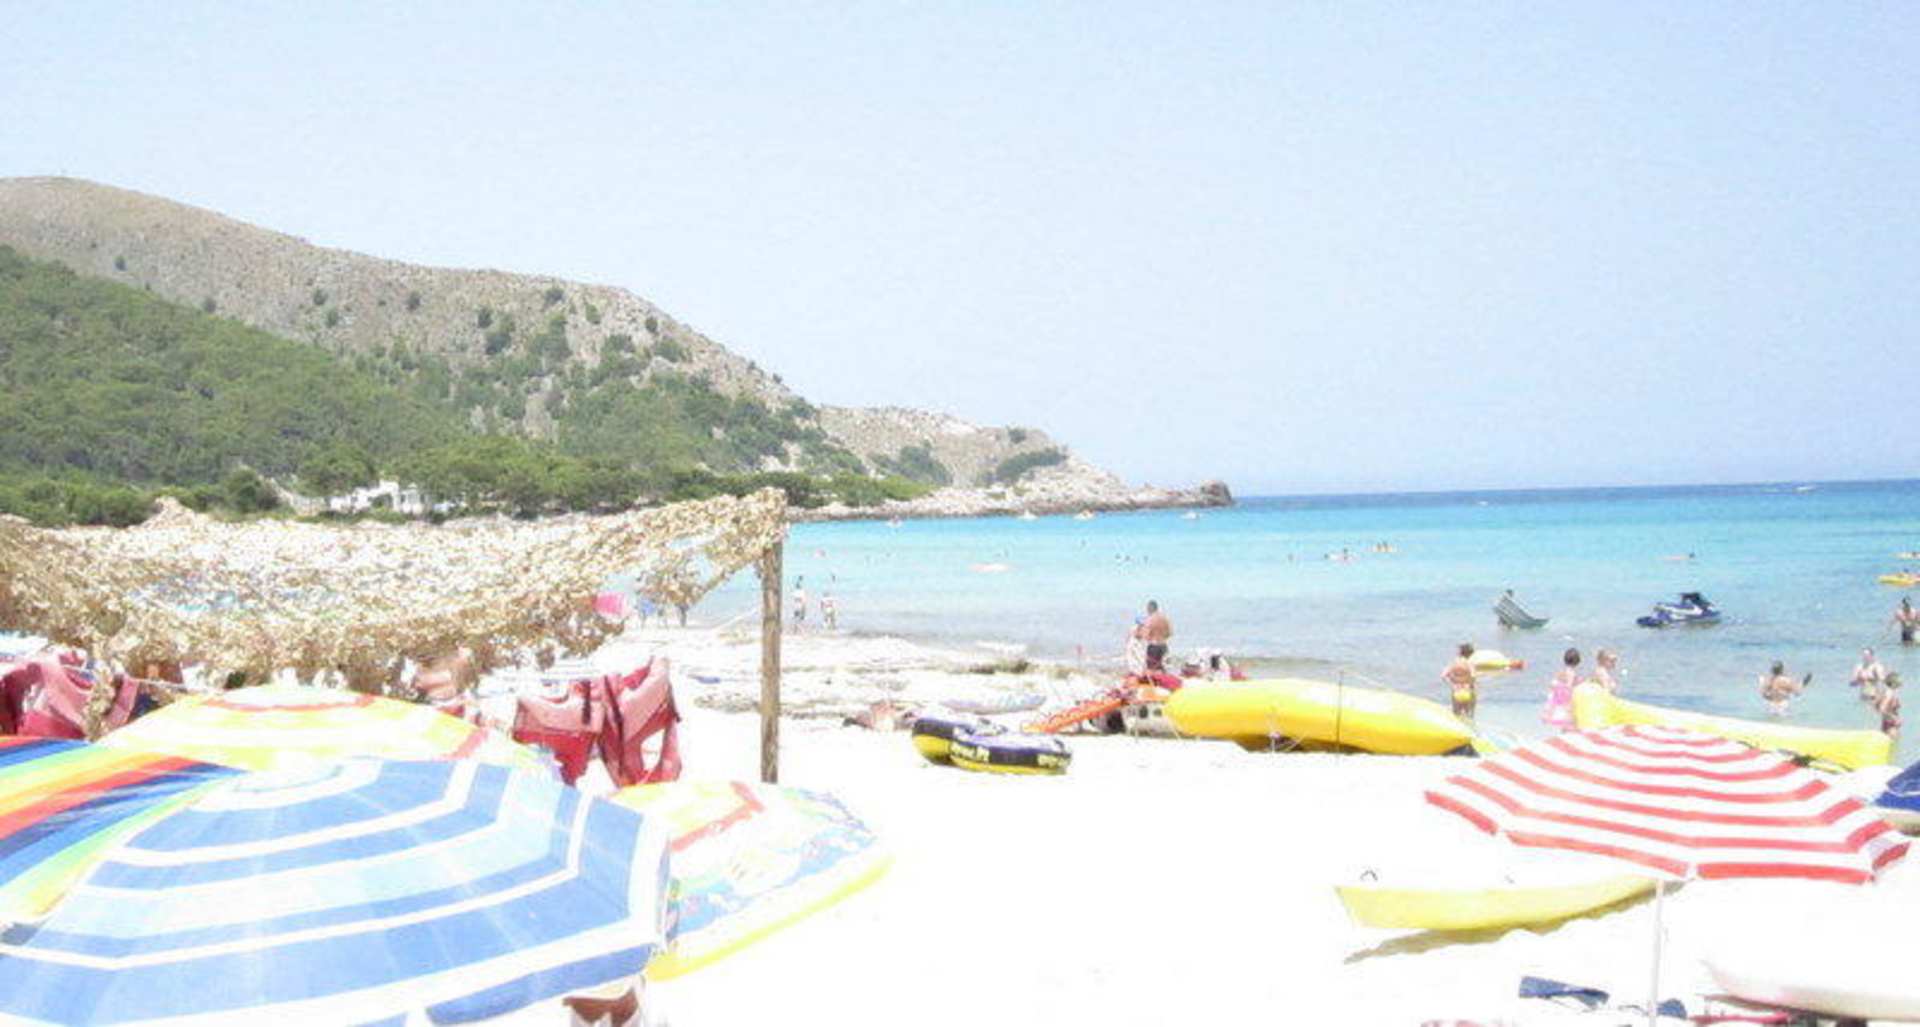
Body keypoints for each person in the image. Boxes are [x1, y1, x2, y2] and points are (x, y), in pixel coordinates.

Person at [1542, 648, 1580, 731]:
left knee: (1563, 716)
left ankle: (1564, 731)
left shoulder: (1561, 671)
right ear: (1577, 662)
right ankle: (1569, 731)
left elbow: (1553, 683)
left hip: (1558, 696)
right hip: (1566, 696)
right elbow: (1569, 685)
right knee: (1569, 716)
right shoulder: (1572, 672)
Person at [1443, 643, 1479, 721]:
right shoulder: (1469, 663)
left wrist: (1452, 684)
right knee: (1469, 716)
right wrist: (1470, 684)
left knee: (1456, 716)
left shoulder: (1453, 663)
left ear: (1460, 653)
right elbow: (1473, 676)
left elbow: (1443, 676)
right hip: (1468, 690)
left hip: (1456, 690)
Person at [1137, 600, 1172, 672]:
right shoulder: (1164, 618)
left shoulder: (1150, 619)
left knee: (1151, 668)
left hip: (1154, 646)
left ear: (1150, 608)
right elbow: (1169, 633)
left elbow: (1145, 635)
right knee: (1162, 668)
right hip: (1163, 646)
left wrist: (1138, 633)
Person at [1879, 673, 1903, 739]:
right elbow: (1882, 708)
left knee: (1892, 741)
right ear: (1893, 683)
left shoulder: (1890, 692)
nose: (1901, 681)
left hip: (1889, 723)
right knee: (1893, 741)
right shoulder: (1889, 693)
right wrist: (1893, 718)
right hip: (1890, 724)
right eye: (1898, 679)